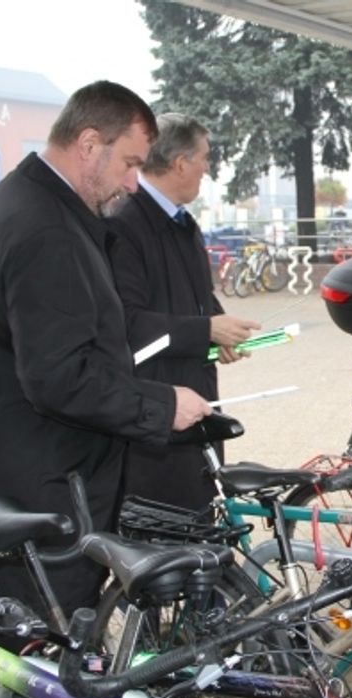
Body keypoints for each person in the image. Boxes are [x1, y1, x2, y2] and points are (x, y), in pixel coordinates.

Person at [0, 81, 212, 618]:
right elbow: (59, 375)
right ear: (87, 144)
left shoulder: (21, 200)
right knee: (37, 662)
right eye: (128, 163)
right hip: (33, 498)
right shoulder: (44, 228)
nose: (133, 184)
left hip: (10, 483)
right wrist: (161, 405)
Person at [107, 113, 260, 513]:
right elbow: (127, 323)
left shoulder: (183, 222)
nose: (207, 169)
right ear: (179, 163)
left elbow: (197, 295)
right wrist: (205, 329)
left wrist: (219, 330)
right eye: (204, 158)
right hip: (157, 416)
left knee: (207, 521)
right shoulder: (125, 224)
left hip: (198, 401)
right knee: (170, 536)